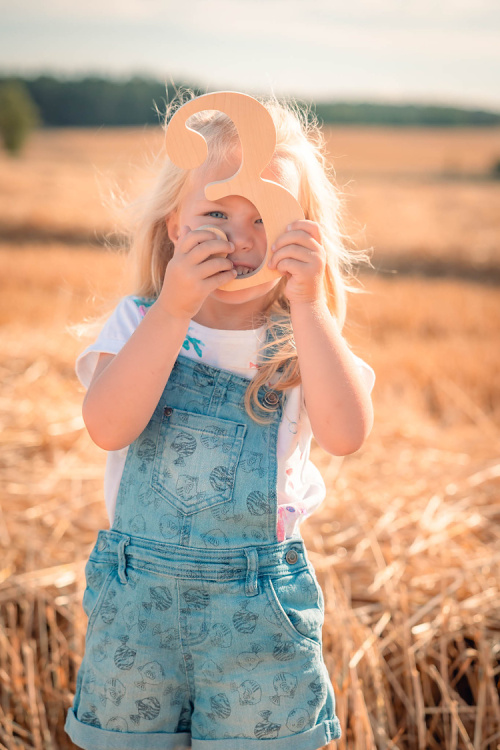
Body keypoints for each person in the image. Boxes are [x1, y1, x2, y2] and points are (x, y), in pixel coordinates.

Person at [65, 92, 375, 750]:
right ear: (174, 227)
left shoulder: (301, 344)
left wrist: (311, 308)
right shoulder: (139, 322)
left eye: (266, 217)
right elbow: (108, 426)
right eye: (215, 214)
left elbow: (348, 434)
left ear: (304, 233)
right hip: (137, 620)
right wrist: (173, 310)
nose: (240, 238)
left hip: (258, 623)